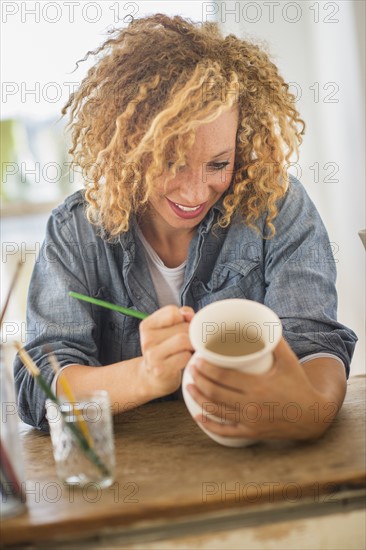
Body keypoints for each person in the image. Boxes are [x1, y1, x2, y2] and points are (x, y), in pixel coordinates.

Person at [14, 13, 357, 439]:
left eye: (218, 163)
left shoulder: (275, 204)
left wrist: (308, 411)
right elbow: (38, 387)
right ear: (129, 149)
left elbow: (316, 346)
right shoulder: (75, 232)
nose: (196, 194)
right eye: (172, 163)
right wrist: (146, 375)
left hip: (258, 462)